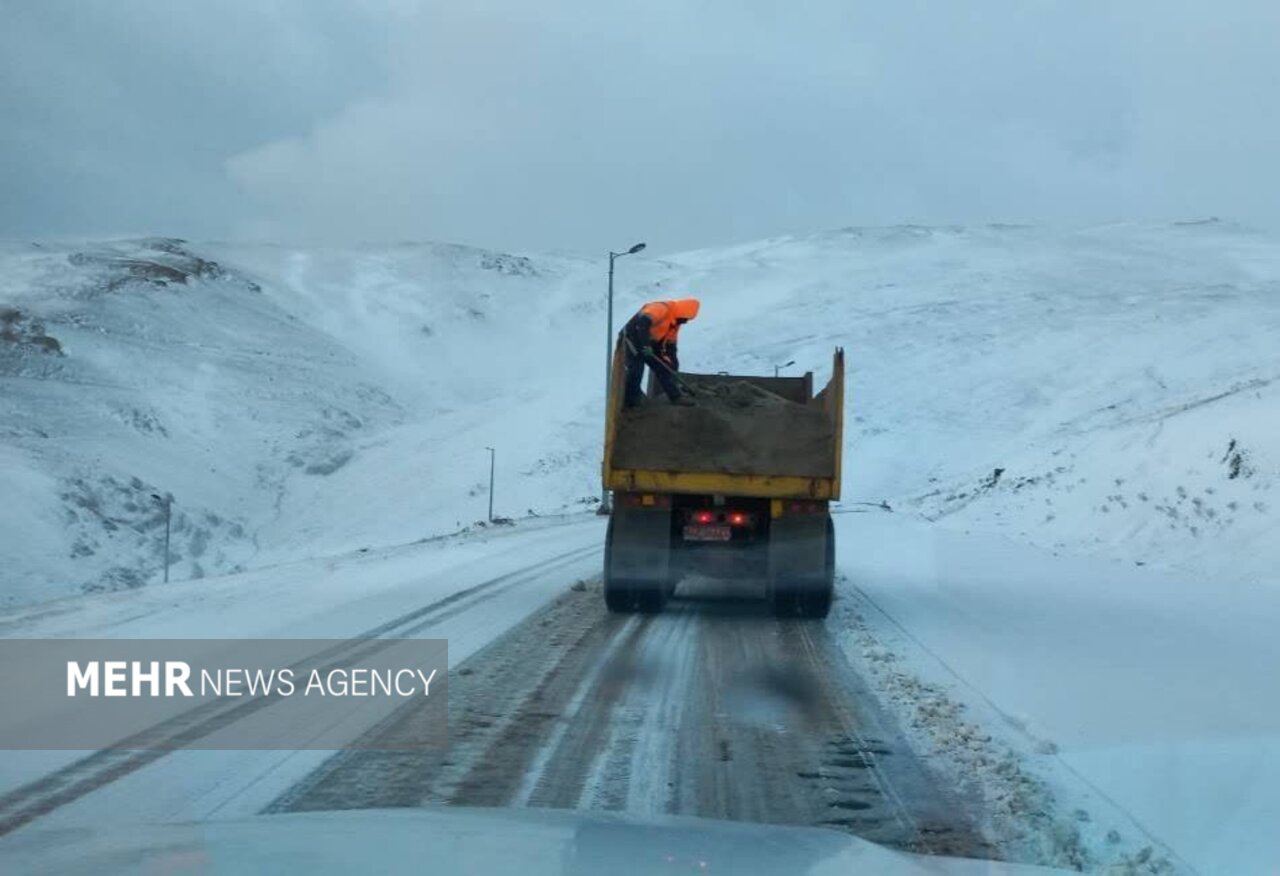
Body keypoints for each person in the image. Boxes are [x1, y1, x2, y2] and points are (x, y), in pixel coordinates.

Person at [620, 298, 700, 407]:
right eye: (685, 318)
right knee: (636, 370)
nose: (685, 322)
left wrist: (673, 365)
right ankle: (630, 403)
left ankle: (676, 397)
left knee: (663, 369)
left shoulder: (674, 324)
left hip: (650, 343)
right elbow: (643, 323)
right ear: (682, 312)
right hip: (633, 338)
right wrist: (645, 345)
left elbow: (671, 346)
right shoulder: (661, 308)